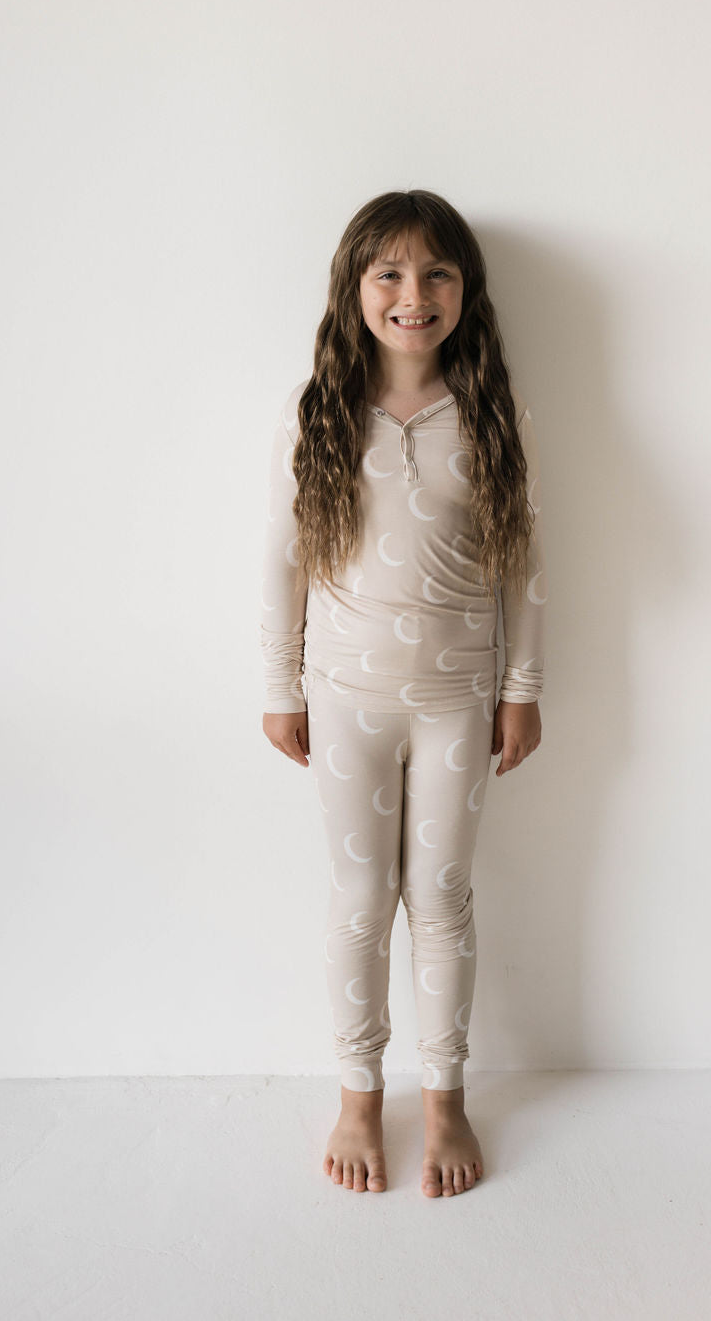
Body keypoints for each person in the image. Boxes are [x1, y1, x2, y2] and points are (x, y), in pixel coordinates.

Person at [260, 189, 547, 1197]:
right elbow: (281, 561)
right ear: (355, 290)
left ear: (465, 293)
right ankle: (355, 1091)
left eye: (435, 274)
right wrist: (278, 684)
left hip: (458, 698)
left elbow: (520, 565)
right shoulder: (324, 412)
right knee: (359, 895)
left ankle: (444, 1095)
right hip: (345, 699)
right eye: (388, 272)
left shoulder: (487, 417)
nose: (412, 293)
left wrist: (521, 686)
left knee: (441, 895)